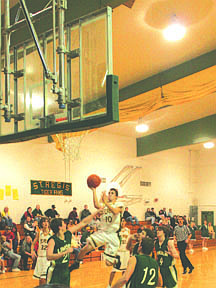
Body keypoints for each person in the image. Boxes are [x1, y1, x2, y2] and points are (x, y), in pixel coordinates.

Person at [70, 187, 124, 271]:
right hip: (102, 233)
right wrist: (94, 190)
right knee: (84, 249)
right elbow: (96, 205)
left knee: (108, 263)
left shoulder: (119, 204)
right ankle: (77, 262)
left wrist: (105, 202)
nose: (109, 194)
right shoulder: (105, 206)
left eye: (112, 193)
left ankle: (116, 259)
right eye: (109, 193)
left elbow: (115, 211)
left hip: (112, 234)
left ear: (116, 197)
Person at [46, 210, 100, 286]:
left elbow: (83, 223)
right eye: (63, 223)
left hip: (65, 271)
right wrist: (64, 252)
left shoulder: (68, 234)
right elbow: (49, 256)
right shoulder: (52, 240)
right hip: (55, 272)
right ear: (60, 227)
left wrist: (95, 213)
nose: (66, 224)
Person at [107, 218, 131, 288]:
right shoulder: (116, 230)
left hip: (126, 252)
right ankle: (109, 284)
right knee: (114, 270)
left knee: (124, 269)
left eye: (123, 221)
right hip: (118, 252)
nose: (122, 222)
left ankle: (124, 285)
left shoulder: (128, 230)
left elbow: (129, 241)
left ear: (125, 222)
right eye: (121, 221)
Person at [32, 217, 52, 285]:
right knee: (40, 279)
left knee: (44, 278)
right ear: (41, 223)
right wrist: (32, 251)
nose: (46, 223)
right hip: (40, 258)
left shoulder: (52, 233)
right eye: (44, 221)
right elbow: (33, 243)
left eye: (47, 221)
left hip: (47, 258)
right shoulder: (39, 233)